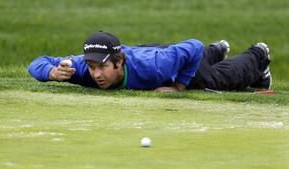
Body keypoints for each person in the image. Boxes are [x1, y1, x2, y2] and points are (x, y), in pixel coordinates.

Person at [27, 31, 272, 92]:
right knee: (201, 63)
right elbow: (37, 62)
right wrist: (50, 72)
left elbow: (192, 45)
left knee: (214, 81)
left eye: (102, 67)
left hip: (160, 57)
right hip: (149, 52)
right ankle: (216, 51)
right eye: (92, 67)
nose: (96, 74)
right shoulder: (81, 68)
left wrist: (179, 87)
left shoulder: (156, 67)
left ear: (119, 62)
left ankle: (258, 57)